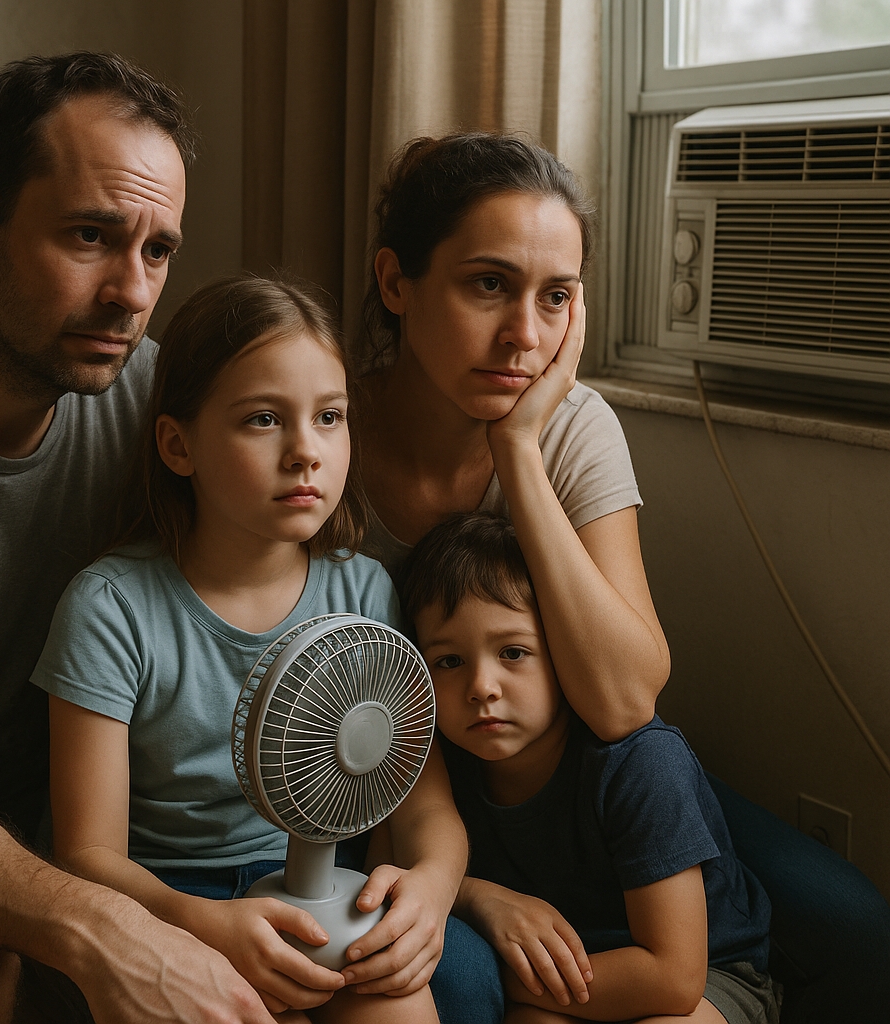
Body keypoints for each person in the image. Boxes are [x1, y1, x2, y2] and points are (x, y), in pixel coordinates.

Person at [355, 131, 890, 1024]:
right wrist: (474, 889)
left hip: (588, 772)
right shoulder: (319, 432)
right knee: (469, 985)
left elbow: (624, 701)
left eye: (555, 297)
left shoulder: (572, 428)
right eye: (489, 284)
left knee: (860, 934)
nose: (525, 333)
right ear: (396, 282)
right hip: (421, 797)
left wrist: (518, 452)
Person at [0, 52, 276, 1023]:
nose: (133, 293)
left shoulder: (162, 407)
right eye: (91, 235)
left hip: (92, 820)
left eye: (159, 250)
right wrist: (99, 927)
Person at [31, 276, 465, 1023]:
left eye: (330, 417)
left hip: (326, 891)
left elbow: (427, 805)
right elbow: (88, 856)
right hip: (168, 902)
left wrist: (431, 886)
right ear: (178, 444)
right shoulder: (112, 609)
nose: (306, 452)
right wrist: (200, 925)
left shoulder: (365, 596)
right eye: (264, 419)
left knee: (400, 1005)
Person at [398, 510, 779, 1024]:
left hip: (704, 975)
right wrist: (478, 897)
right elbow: (394, 869)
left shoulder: (640, 764)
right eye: (448, 661)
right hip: (561, 973)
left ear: (565, 649)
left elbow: (673, 979)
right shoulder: (440, 759)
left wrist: (493, 981)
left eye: (513, 652)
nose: (481, 687)